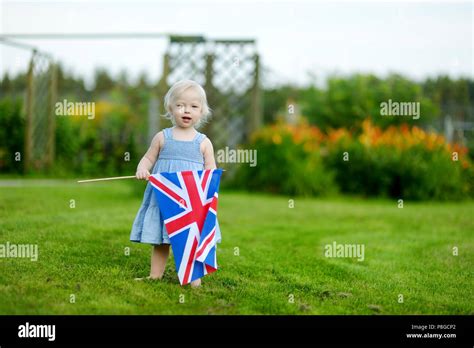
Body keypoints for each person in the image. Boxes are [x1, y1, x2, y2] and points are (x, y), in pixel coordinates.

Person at [130, 79, 221, 287]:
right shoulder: (162, 137)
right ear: (170, 109)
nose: (186, 110)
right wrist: (142, 168)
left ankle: (193, 278)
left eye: (193, 106)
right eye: (180, 105)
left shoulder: (203, 142)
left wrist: (209, 196)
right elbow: (148, 158)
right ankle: (155, 274)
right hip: (165, 199)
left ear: (202, 112)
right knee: (161, 239)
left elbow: (210, 173)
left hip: (191, 202)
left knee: (191, 238)